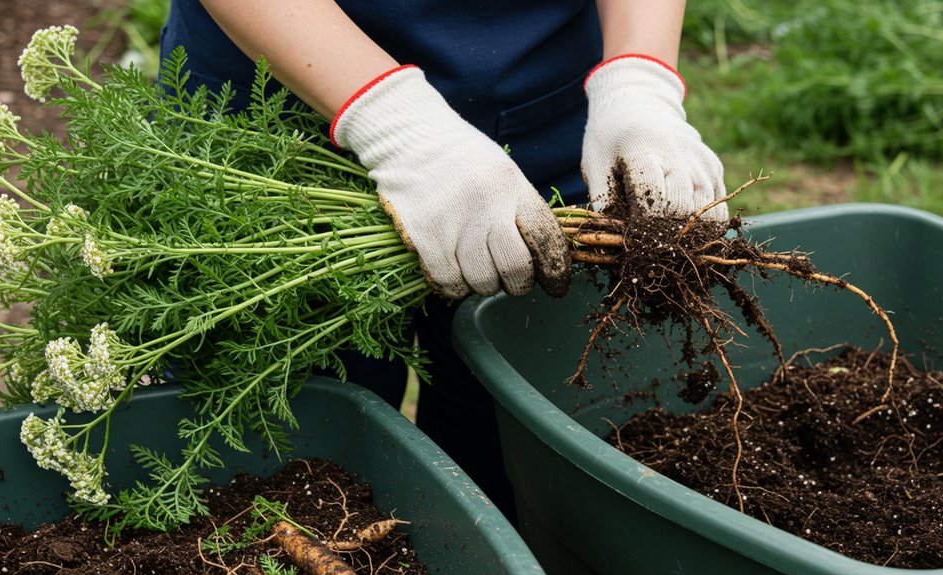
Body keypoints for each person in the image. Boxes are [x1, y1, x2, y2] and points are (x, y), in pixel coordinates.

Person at [160, 0, 727, 519]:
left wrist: (638, 78)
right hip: (271, 130)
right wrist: (396, 126)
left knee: (518, 471)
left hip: (544, 107)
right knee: (288, 477)